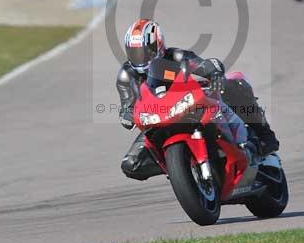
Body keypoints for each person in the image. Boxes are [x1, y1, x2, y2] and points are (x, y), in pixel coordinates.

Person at [117, 19, 279, 181]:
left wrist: (214, 73)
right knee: (131, 164)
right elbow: (128, 104)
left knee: (235, 83)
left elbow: (204, 64)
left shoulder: (175, 56)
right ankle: (180, 168)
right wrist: (127, 115)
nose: (139, 57)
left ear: (157, 45)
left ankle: (263, 133)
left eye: (144, 51)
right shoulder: (126, 75)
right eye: (134, 52)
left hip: (188, 103)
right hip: (158, 118)